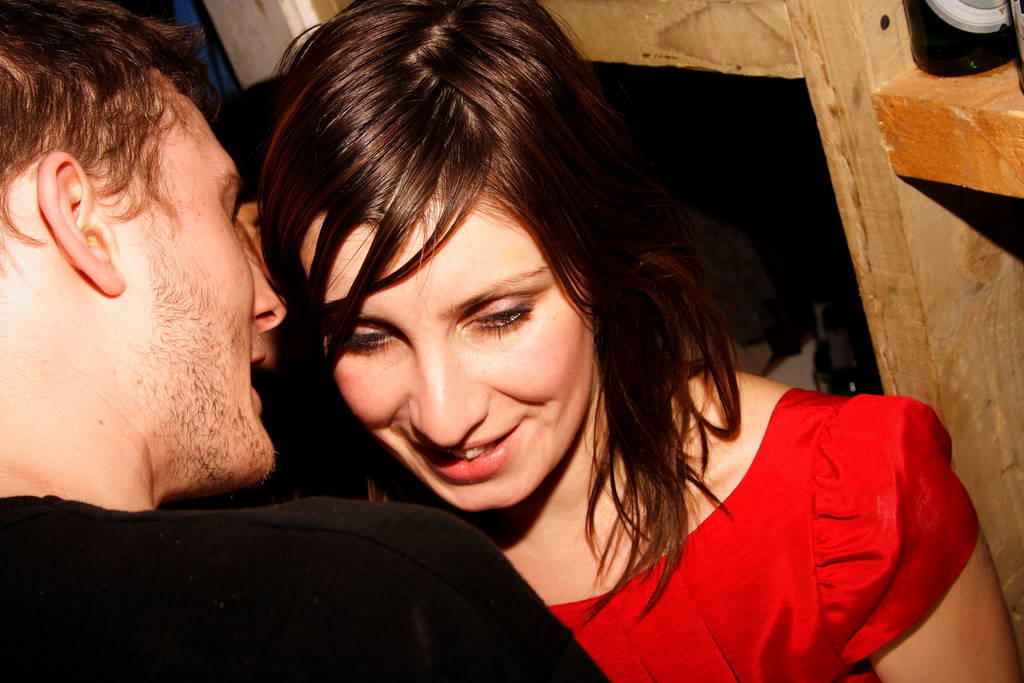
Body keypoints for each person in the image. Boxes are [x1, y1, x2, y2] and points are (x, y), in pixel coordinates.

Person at [259, 0, 1022, 679]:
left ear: (600, 263)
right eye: (367, 337)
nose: (444, 416)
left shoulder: (851, 500)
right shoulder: (367, 578)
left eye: (500, 316)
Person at [0, 1, 606, 680]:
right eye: (226, 212)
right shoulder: (369, 599)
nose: (270, 307)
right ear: (81, 223)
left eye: (499, 315)